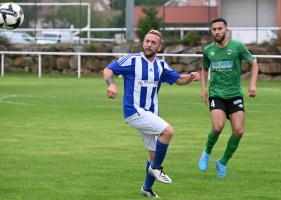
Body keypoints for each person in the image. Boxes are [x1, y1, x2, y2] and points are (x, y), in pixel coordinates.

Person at [103, 29, 200, 198]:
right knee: (168, 131)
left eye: (153, 42)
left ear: (159, 47)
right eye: (147, 41)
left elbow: (178, 79)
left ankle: (146, 189)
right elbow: (108, 70)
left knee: (153, 154)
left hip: (150, 113)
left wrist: (191, 77)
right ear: (143, 42)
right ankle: (156, 168)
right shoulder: (132, 59)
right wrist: (111, 84)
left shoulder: (161, 65)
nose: (149, 45)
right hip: (134, 111)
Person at [198, 18, 258, 179]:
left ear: (226, 30)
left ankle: (222, 162)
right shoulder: (208, 50)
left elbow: (254, 64)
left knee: (238, 131)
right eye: (214, 29)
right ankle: (207, 152)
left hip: (235, 94)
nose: (217, 32)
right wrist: (204, 88)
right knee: (218, 127)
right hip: (216, 93)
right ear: (211, 31)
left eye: (219, 29)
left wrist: (252, 85)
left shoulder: (238, 47)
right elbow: (204, 69)